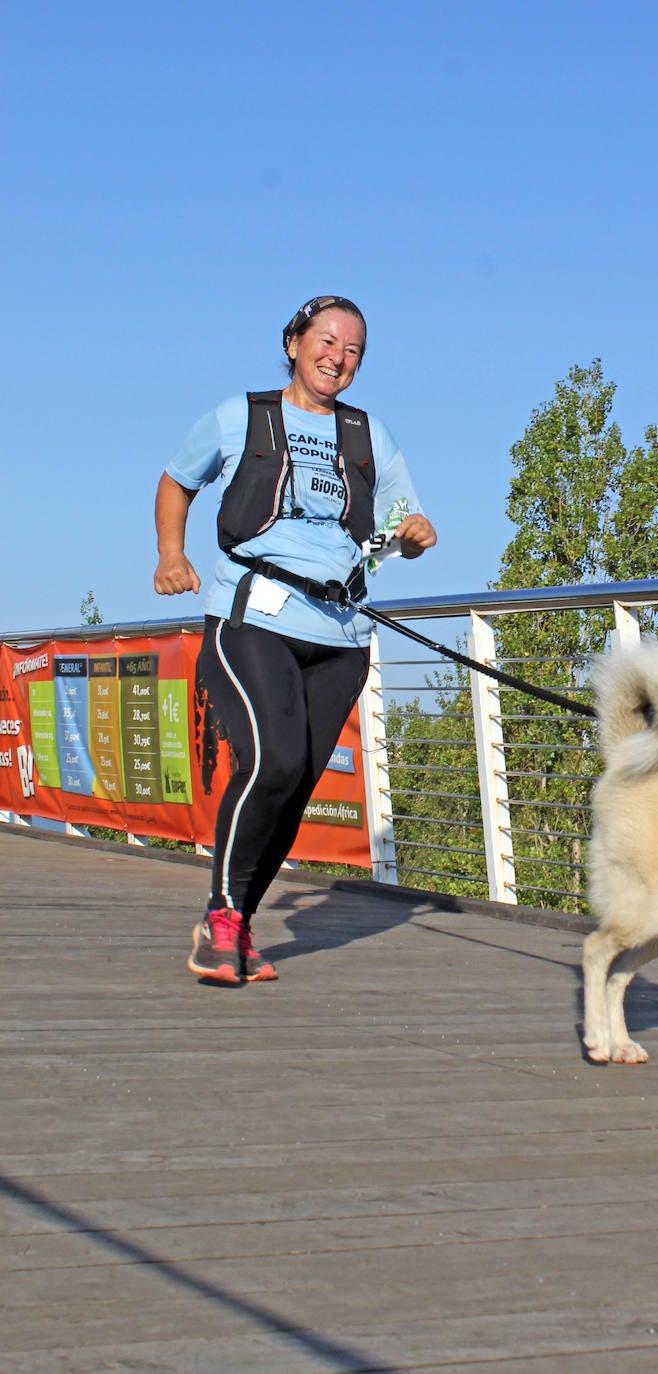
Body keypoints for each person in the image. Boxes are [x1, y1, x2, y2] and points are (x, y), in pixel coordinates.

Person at [154, 295, 436, 984]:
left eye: (354, 350)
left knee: (295, 784)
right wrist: (171, 555)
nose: (338, 357)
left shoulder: (371, 436)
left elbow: (403, 525)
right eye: (327, 340)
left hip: (341, 631)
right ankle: (220, 912)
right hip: (252, 615)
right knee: (272, 762)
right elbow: (175, 481)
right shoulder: (240, 416)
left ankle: (238, 925)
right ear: (293, 343)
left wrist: (416, 537)